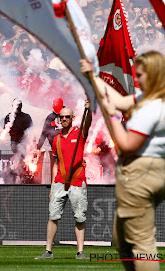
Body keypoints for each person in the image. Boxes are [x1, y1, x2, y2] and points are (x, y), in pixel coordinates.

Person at [81, 51, 165, 271]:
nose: (136, 79)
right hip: (146, 174)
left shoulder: (152, 107)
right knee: (123, 239)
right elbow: (118, 99)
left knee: (141, 244)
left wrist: (112, 117)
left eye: (141, 74)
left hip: (141, 175)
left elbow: (127, 144)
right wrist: (94, 77)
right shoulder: (148, 99)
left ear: (155, 75)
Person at [36, 99, 92, 260]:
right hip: (60, 181)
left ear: (73, 118)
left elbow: (87, 124)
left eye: (67, 117)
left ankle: (80, 251)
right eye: (62, 117)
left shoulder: (79, 133)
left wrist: (88, 111)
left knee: (79, 217)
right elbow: (56, 164)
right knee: (53, 216)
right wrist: (53, 186)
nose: (64, 119)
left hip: (77, 181)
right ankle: (48, 250)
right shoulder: (57, 140)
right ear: (58, 119)